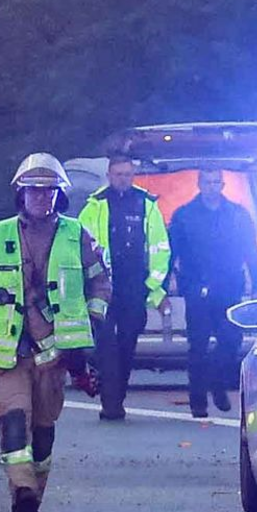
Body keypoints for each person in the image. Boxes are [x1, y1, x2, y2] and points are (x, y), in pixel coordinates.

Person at [0, 153, 110, 512]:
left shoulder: (78, 235)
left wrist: (89, 323)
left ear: (59, 196)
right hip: (6, 353)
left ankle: (34, 490)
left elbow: (101, 282)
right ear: (20, 194)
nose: (41, 198)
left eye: (48, 192)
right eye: (33, 192)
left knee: (43, 429)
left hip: (55, 354)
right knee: (14, 421)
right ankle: (22, 494)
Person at [78, 154, 171, 420]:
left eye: (128, 175)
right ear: (109, 175)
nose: (123, 180)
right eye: (118, 174)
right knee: (106, 346)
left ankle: (118, 394)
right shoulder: (95, 206)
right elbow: (82, 248)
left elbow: (160, 248)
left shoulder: (146, 205)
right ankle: (111, 404)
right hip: (103, 288)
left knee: (127, 345)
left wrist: (154, 288)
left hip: (134, 287)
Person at [168, 168, 257, 418]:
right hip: (197, 287)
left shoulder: (237, 215)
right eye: (208, 182)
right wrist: (165, 285)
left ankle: (218, 382)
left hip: (230, 286)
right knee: (197, 345)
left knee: (231, 340)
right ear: (199, 184)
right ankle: (198, 400)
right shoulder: (184, 216)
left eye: (216, 182)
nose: (212, 187)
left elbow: (251, 250)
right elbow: (171, 252)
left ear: (222, 185)